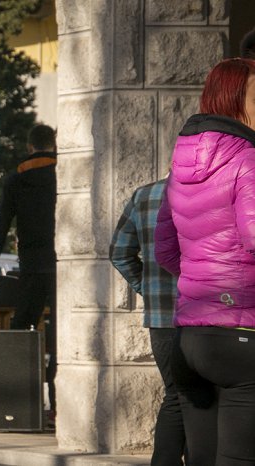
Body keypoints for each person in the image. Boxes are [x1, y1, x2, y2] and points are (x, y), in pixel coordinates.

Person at [154, 57, 255, 465]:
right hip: (241, 337)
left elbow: (164, 250)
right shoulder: (248, 159)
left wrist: (206, 280)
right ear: (235, 101)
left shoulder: (180, 164)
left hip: (190, 340)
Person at [109, 178, 185, 465]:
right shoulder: (217, 188)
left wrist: (148, 288)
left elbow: (119, 252)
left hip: (162, 317)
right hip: (209, 315)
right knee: (204, 400)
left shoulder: (145, 195)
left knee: (176, 396)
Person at [0, 124, 58, 420]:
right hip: (61, 264)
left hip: (32, 264)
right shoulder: (60, 173)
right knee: (59, 332)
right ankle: (57, 406)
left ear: (30, 146)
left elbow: (2, 224)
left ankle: (17, 405)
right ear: (53, 144)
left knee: (22, 326)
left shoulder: (17, 179)